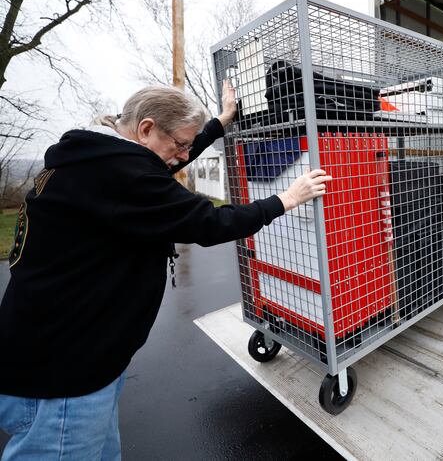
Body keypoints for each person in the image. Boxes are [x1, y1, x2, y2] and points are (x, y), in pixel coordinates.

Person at [0, 80, 331, 460]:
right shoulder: (122, 175)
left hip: (73, 359)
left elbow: (164, 160)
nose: (184, 155)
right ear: (146, 129)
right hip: (61, 376)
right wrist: (286, 198)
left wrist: (221, 122)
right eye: (180, 144)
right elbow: (207, 222)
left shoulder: (95, 159)